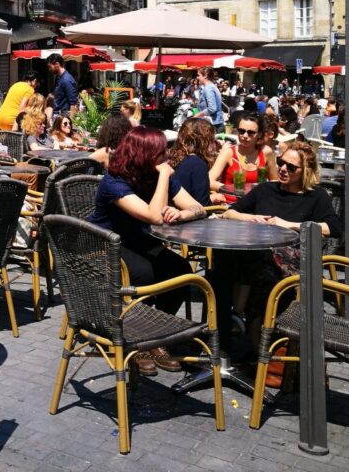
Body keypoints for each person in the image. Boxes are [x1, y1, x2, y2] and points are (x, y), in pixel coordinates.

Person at [88, 126, 206, 375]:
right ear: (143, 153)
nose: (167, 156)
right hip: (105, 245)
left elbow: (199, 208)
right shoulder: (115, 181)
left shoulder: (154, 175)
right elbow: (153, 216)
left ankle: (154, 336)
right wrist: (164, 175)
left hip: (139, 242)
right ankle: (134, 341)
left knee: (181, 271)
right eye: (161, 152)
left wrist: (183, 213)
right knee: (144, 274)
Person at [221, 141, 341, 346]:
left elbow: (334, 228)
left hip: (292, 261)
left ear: (306, 171)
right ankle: (231, 331)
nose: (283, 169)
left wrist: (288, 225)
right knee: (223, 265)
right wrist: (252, 219)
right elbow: (230, 212)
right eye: (281, 162)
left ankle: (248, 331)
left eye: (291, 167)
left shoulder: (315, 196)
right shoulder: (266, 189)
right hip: (257, 255)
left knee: (260, 270)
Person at [210, 113, 278, 201]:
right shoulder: (229, 153)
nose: (245, 136)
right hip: (231, 204)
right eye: (241, 131)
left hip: (257, 202)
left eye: (250, 132)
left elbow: (274, 181)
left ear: (260, 134)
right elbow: (209, 180)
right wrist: (232, 189)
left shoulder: (266, 152)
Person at [168, 118, 223, 207]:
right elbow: (203, 204)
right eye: (212, 139)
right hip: (189, 216)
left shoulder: (173, 158)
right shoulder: (198, 165)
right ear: (204, 141)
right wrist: (213, 198)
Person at [195, 67, 224, 131]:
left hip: (213, 125)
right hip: (215, 124)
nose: (197, 77)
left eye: (198, 75)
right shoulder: (211, 86)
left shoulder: (208, 88)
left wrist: (198, 115)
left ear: (205, 76)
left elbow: (212, 108)